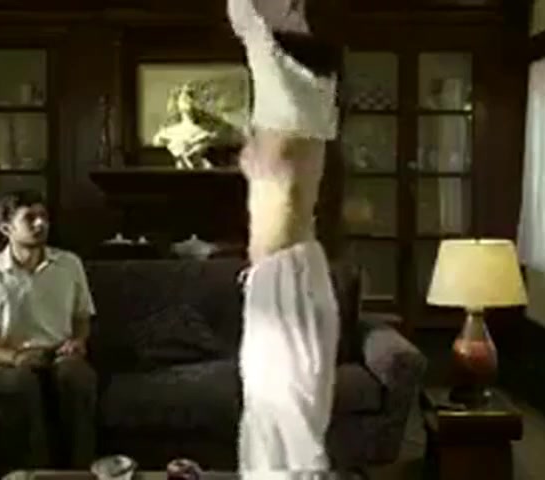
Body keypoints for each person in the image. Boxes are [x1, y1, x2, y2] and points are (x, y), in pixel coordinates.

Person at [227, 0, 343, 473]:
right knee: (270, 413)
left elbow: (250, 21)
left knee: (289, 421)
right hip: (274, 276)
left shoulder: (300, 106)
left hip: (289, 280)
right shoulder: (296, 109)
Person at [0, 189, 98, 468]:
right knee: (18, 384)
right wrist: (15, 358)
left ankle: (79, 471)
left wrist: (79, 340)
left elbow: (82, 316)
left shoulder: (69, 264)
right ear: (6, 228)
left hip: (60, 354)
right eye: (30, 218)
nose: (40, 223)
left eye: (43, 216)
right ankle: (33, 472)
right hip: (10, 359)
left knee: (77, 377)